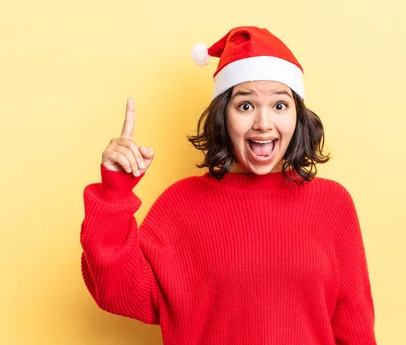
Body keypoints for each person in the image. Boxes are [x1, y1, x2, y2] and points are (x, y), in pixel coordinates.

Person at [80, 26, 377, 344]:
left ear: (297, 116)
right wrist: (114, 192)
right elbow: (117, 292)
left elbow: (354, 324)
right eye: (245, 106)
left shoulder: (332, 203)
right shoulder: (181, 203)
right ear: (223, 116)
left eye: (279, 105)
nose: (263, 123)